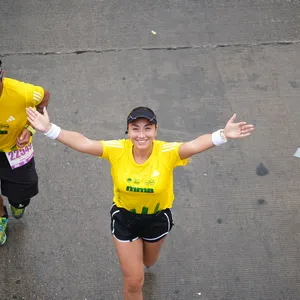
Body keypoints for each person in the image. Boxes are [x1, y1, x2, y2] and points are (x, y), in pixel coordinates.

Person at [26, 105, 254, 300]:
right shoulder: (117, 150)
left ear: (155, 130)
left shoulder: (168, 152)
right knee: (134, 281)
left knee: (149, 261)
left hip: (157, 220)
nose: (141, 134)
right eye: (135, 129)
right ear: (128, 131)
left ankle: (145, 258)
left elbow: (195, 145)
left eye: (147, 128)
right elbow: (85, 143)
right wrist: (49, 129)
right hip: (124, 220)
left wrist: (223, 134)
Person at [0, 60, 50, 245]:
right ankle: (1, 217)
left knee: (21, 195)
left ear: (2, 75)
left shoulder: (23, 92)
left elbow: (44, 97)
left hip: (15, 150)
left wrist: (30, 128)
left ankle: (17, 203)